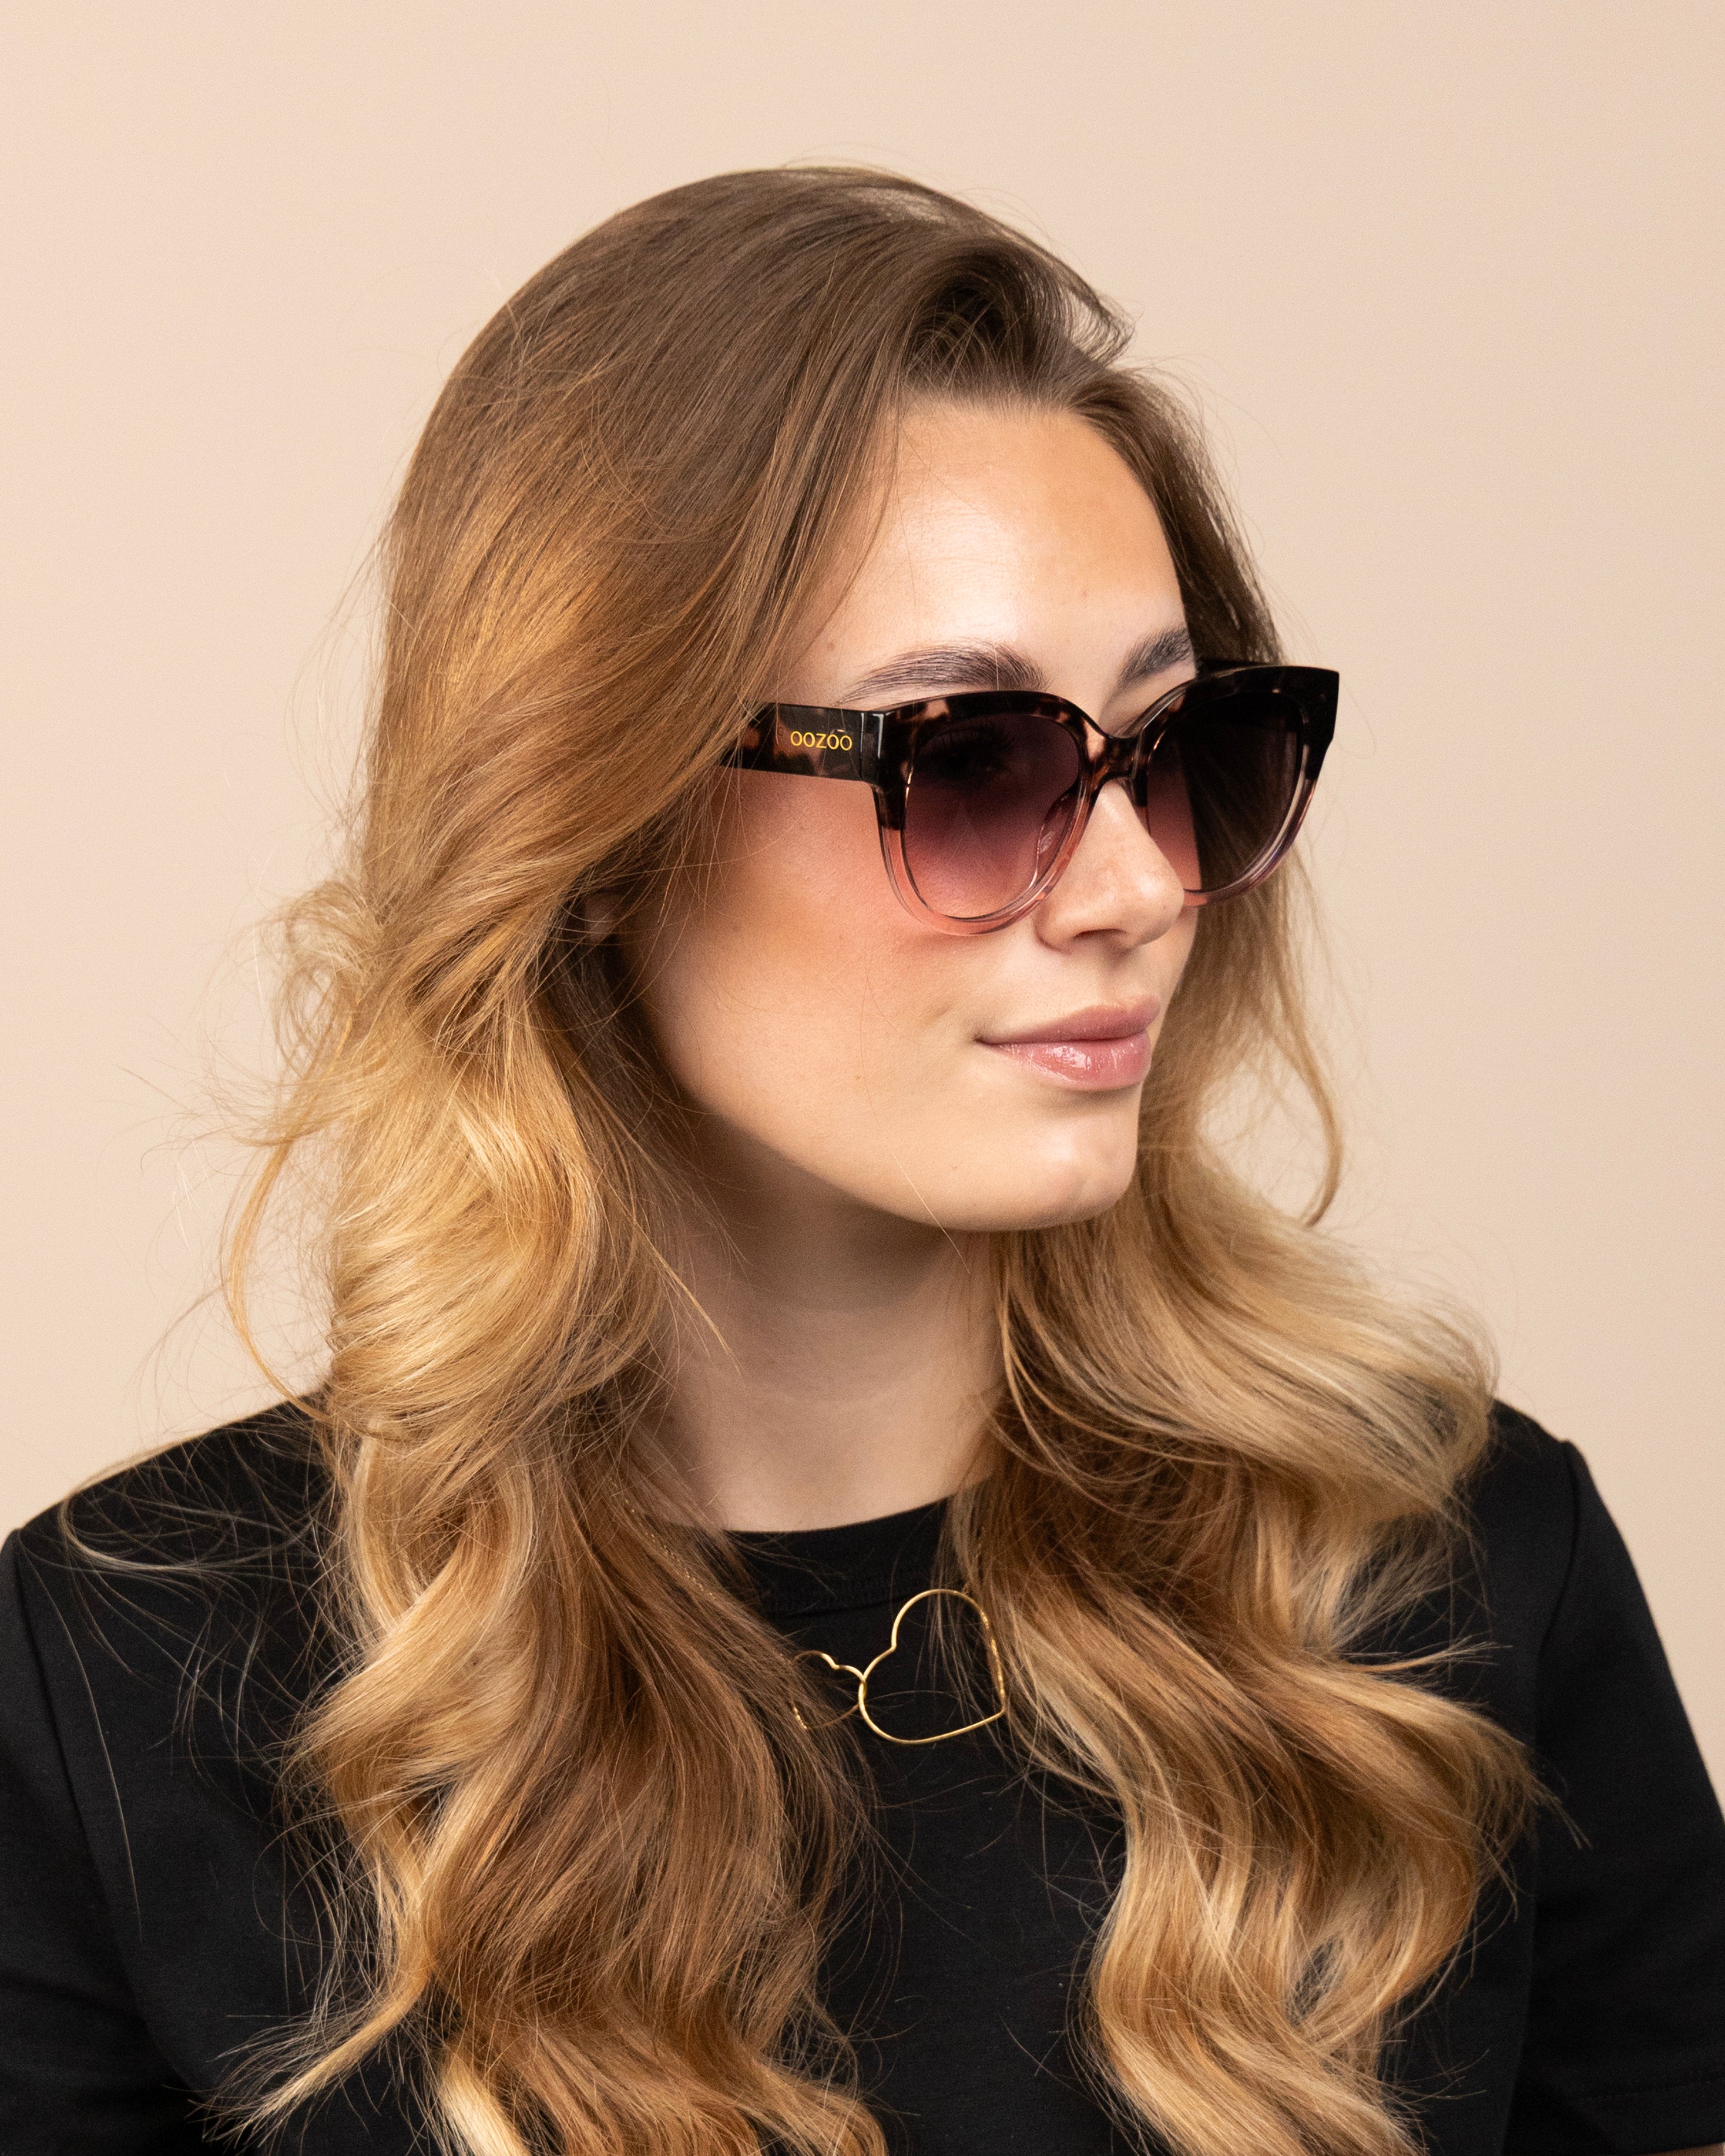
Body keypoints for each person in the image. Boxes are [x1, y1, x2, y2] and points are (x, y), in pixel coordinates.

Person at [1, 167, 1721, 2156]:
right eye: (972, 759)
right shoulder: (131, 1685)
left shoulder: (1448, 1576)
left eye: (1180, 747)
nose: (1139, 887)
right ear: (595, 825)